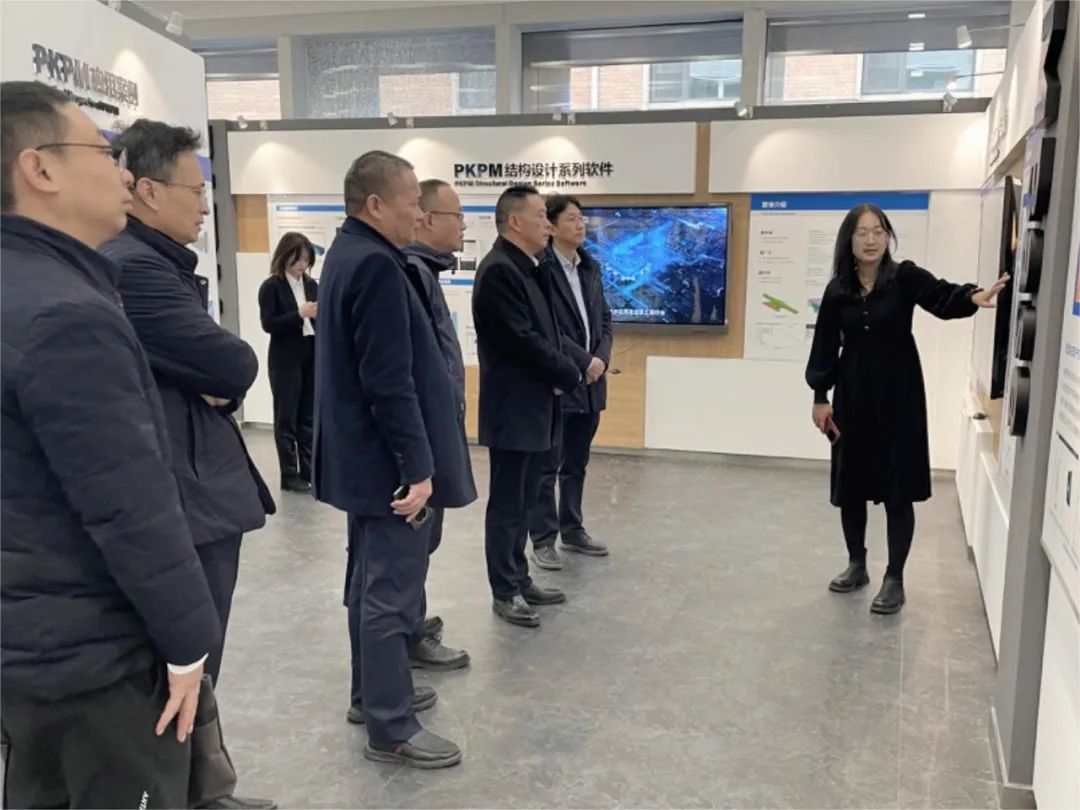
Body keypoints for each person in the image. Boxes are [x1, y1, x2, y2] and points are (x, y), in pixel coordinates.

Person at [0, 80, 220, 809]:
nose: (123, 173)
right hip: (94, 657)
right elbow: (130, 508)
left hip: (30, 646)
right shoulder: (66, 314)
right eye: (102, 151)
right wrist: (188, 645)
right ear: (40, 168)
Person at [100, 119, 276, 810]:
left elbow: (218, 371)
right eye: (195, 190)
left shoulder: (156, 263)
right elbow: (233, 362)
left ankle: (202, 791)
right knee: (180, 665)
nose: (206, 205)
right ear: (145, 190)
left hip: (197, 489)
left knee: (197, 662)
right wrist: (211, 378)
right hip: (183, 498)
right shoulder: (135, 268)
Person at [314, 150, 476, 769]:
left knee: (367, 585)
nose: (419, 215)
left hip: (360, 459)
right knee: (389, 593)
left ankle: (372, 696)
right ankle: (391, 726)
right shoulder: (378, 265)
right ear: (376, 204)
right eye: (412, 203)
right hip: (388, 465)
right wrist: (417, 467)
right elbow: (389, 380)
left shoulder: (348, 253)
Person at [806, 203, 1008, 614]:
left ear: (888, 237)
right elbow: (824, 344)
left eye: (878, 231)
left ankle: (894, 577)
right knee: (851, 488)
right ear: (849, 240)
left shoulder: (904, 277)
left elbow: (941, 296)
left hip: (899, 398)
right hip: (852, 398)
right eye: (862, 232)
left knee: (898, 490)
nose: (871, 240)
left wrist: (974, 296)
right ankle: (857, 564)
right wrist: (820, 397)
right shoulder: (837, 290)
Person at [473, 185, 582, 628]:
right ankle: (505, 590)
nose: (547, 224)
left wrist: (564, 370)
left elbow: (549, 333)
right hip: (514, 410)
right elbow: (521, 341)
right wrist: (569, 373)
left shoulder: (531, 267)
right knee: (507, 504)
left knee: (525, 500)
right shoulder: (499, 271)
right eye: (540, 216)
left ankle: (519, 579)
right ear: (515, 222)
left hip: (537, 406)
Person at [401, 178, 471, 671]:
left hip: (432, 433)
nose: (463, 225)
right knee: (411, 545)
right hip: (418, 441)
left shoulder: (425, 273)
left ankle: (412, 624)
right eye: (456, 215)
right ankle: (406, 638)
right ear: (426, 218)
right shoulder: (410, 274)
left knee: (423, 543)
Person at [529, 194, 613, 571]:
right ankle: (543, 538)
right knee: (548, 465)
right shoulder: (541, 269)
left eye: (582, 219)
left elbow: (605, 320)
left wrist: (601, 359)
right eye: (573, 219)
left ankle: (573, 529)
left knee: (576, 462)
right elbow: (547, 328)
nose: (581, 225)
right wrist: (584, 361)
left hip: (592, 382)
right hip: (561, 379)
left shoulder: (589, 267)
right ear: (551, 226)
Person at [259, 231, 318, 493]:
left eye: (306, 260)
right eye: (297, 259)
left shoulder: (312, 285)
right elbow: (268, 323)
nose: (302, 265)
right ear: (285, 257)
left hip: (311, 351)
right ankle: (289, 474)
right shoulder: (271, 286)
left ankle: (309, 469)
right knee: (287, 417)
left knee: (308, 415)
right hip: (285, 357)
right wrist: (298, 314)